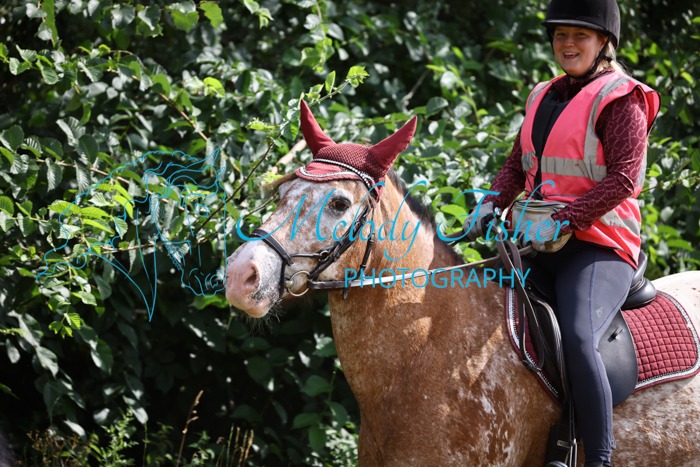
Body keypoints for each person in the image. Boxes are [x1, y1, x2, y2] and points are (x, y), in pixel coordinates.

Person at [464, 0, 660, 465]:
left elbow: (624, 179)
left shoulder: (622, 99)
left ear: (604, 42)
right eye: (560, 35)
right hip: (538, 242)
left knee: (576, 335)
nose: (567, 44)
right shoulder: (543, 94)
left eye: (580, 36)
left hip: (599, 246)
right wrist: (491, 202)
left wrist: (566, 219)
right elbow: (518, 165)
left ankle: (598, 457)